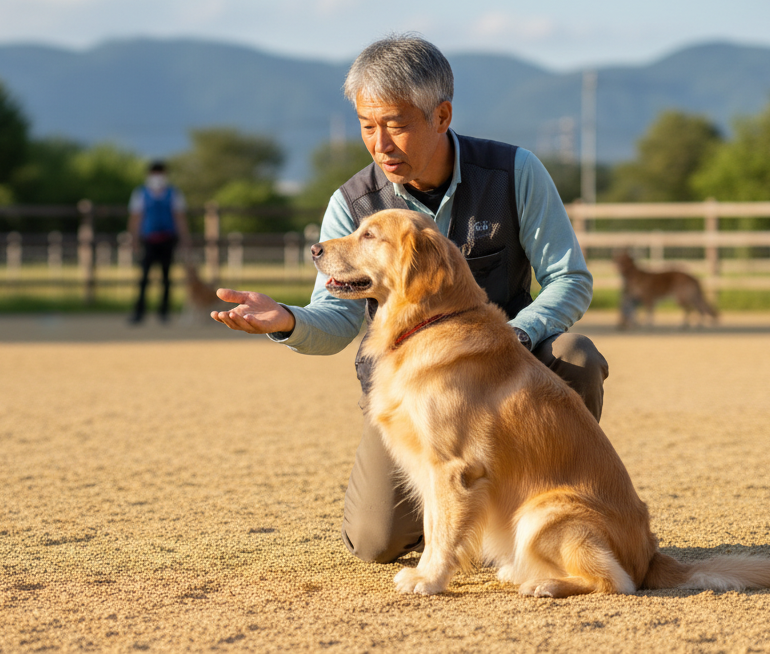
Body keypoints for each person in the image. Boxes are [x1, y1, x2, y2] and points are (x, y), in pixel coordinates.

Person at [211, 34, 609, 565]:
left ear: (441, 116)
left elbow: (569, 278)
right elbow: (336, 317)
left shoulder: (515, 173)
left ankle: (552, 523)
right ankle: (464, 518)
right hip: (415, 393)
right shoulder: (350, 204)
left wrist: (515, 334)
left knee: (576, 356)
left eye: (395, 125)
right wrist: (286, 320)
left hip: (508, 374)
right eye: (366, 126)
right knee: (374, 541)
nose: (380, 144)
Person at [128, 161, 190, 324]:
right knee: (144, 278)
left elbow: (179, 217)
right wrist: (133, 239)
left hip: (168, 240)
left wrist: (184, 238)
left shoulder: (174, 193)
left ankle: (164, 312)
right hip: (148, 240)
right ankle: (139, 312)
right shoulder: (140, 193)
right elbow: (136, 217)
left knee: (166, 278)